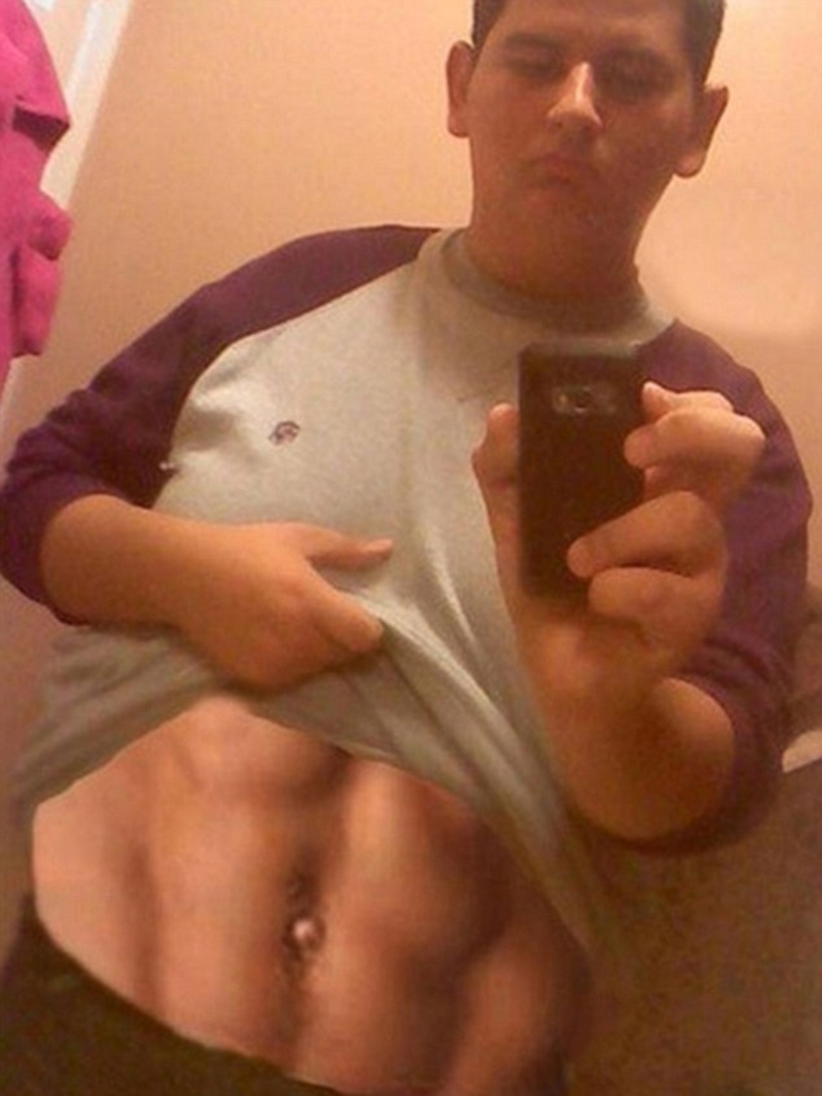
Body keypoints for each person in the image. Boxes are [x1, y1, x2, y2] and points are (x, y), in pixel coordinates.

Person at [0, 0, 811, 1093]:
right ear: (461, 88)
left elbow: (721, 789)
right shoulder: (294, 290)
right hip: (78, 1001)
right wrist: (192, 578)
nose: (576, 106)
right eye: (536, 60)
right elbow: (37, 489)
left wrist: (608, 710)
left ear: (696, 126)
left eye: (628, 76)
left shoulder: (718, 439)